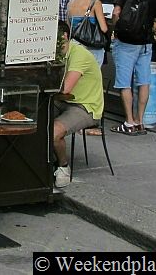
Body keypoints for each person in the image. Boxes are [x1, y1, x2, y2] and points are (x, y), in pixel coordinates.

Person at [111, 0, 156, 136]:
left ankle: (129, 122)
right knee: (144, 81)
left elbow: (116, 12)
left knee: (124, 82)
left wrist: (115, 28)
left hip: (126, 42)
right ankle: (141, 122)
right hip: (146, 43)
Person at [52, 22, 104, 188]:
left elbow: (66, 88)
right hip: (64, 101)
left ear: (64, 37)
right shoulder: (57, 54)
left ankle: (63, 166)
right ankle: (41, 162)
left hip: (85, 105)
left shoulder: (78, 54)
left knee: (54, 131)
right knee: (31, 116)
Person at [66, 0, 108, 67]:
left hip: (76, 45)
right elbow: (103, 28)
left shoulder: (70, 4)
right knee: (94, 75)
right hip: (93, 46)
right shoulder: (95, 3)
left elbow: (69, 26)